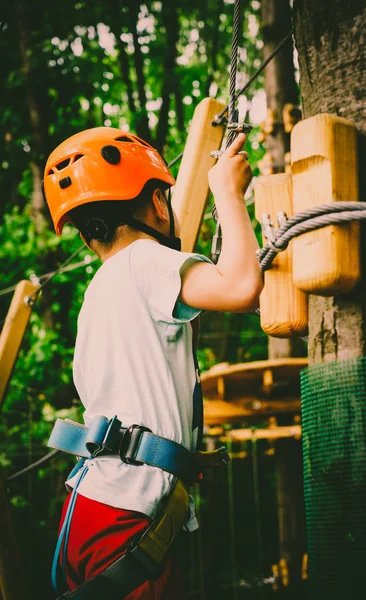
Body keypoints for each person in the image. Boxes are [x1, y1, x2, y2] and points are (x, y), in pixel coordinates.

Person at [43, 126, 263, 599]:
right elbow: (242, 285)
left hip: (92, 507)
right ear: (160, 203)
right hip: (126, 516)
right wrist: (226, 190)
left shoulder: (98, 294)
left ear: (86, 237)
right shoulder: (146, 260)